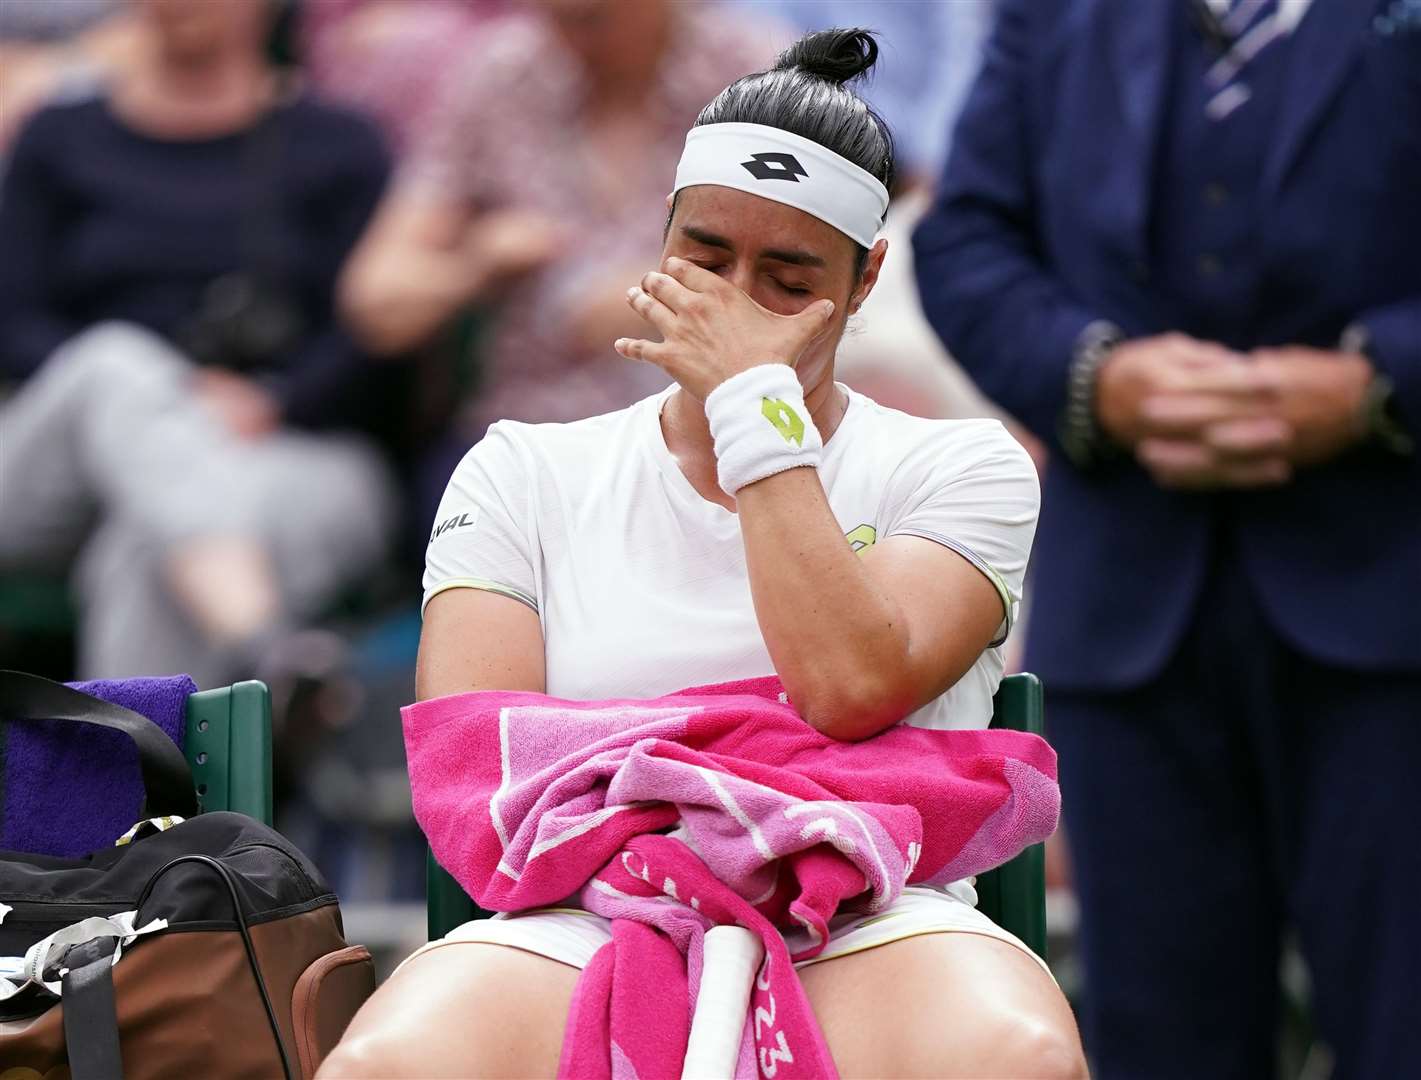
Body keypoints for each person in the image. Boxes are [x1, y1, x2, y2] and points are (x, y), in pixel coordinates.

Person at [319, 29, 1085, 1080]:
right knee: (386, 1065)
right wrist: (761, 790)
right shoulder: (518, 469)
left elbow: (848, 684)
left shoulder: (964, 465)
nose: (730, 302)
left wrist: (753, 410)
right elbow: (478, 769)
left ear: (863, 282)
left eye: (784, 278)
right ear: (660, 238)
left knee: (1015, 1055)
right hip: (583, 906)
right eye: (704, 257)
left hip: (868, 905)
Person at [913, 1, 1421, 1077]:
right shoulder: (1051, 16)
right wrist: (1094, 376)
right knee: (1158, 1044)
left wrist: (1379, 382)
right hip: (1129, 616)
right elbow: (963, 240)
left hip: (1394, 610)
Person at [0, 0, 397, 688]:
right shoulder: (59, 137)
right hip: (63, 448)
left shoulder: (340, 145)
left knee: (151, 547)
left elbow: (374, 337)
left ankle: (137, 792)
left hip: (281, 443)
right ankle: (263, 646)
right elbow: (12, 321)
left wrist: (277, 400)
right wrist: (170, 400)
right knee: (115, 363)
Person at [338, 0, 777, 515]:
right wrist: (476, 268)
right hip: (531, 439)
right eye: (559, 15)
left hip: (716, 432)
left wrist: (664, 290)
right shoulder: (502, 74)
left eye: (594, 16)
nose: (570, 28)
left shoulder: (751, 71)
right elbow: (376, 303)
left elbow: (818, 267)